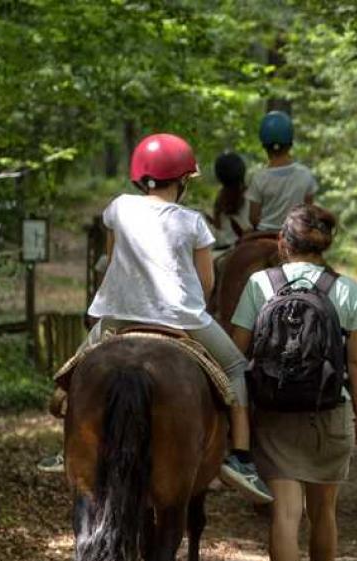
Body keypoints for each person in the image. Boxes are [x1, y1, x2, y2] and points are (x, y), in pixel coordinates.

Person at [37, 133, 272, 505]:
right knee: (235, 369)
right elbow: (207, 282)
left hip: (117, 315)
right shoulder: (194, 222)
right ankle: (240, 459)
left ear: (139, 176)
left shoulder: (118, 208)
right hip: (181, 316)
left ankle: (68, 445)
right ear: (181, 180)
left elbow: (112, 262)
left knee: (74, 373)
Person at [230, 204, 357, 561]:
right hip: (327, 411)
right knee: (323, 511)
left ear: (281, 243)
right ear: (326, 245)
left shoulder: (259, 284)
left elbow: (238, 352)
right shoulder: (344, 288)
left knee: (285, 515)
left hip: (274, 413)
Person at [247, 111, 319, 233]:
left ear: (264, 146)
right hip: (296, 234)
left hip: (265, 233)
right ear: (290, 144)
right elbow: (309, 211)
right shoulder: (305, 174)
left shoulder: (259, 178)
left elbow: (253, 218)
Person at [208, 151, 250, 252]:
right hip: (249, 247)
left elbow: (219, 231)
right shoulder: (253, 195)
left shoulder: (220, 201)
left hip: (226, 253)